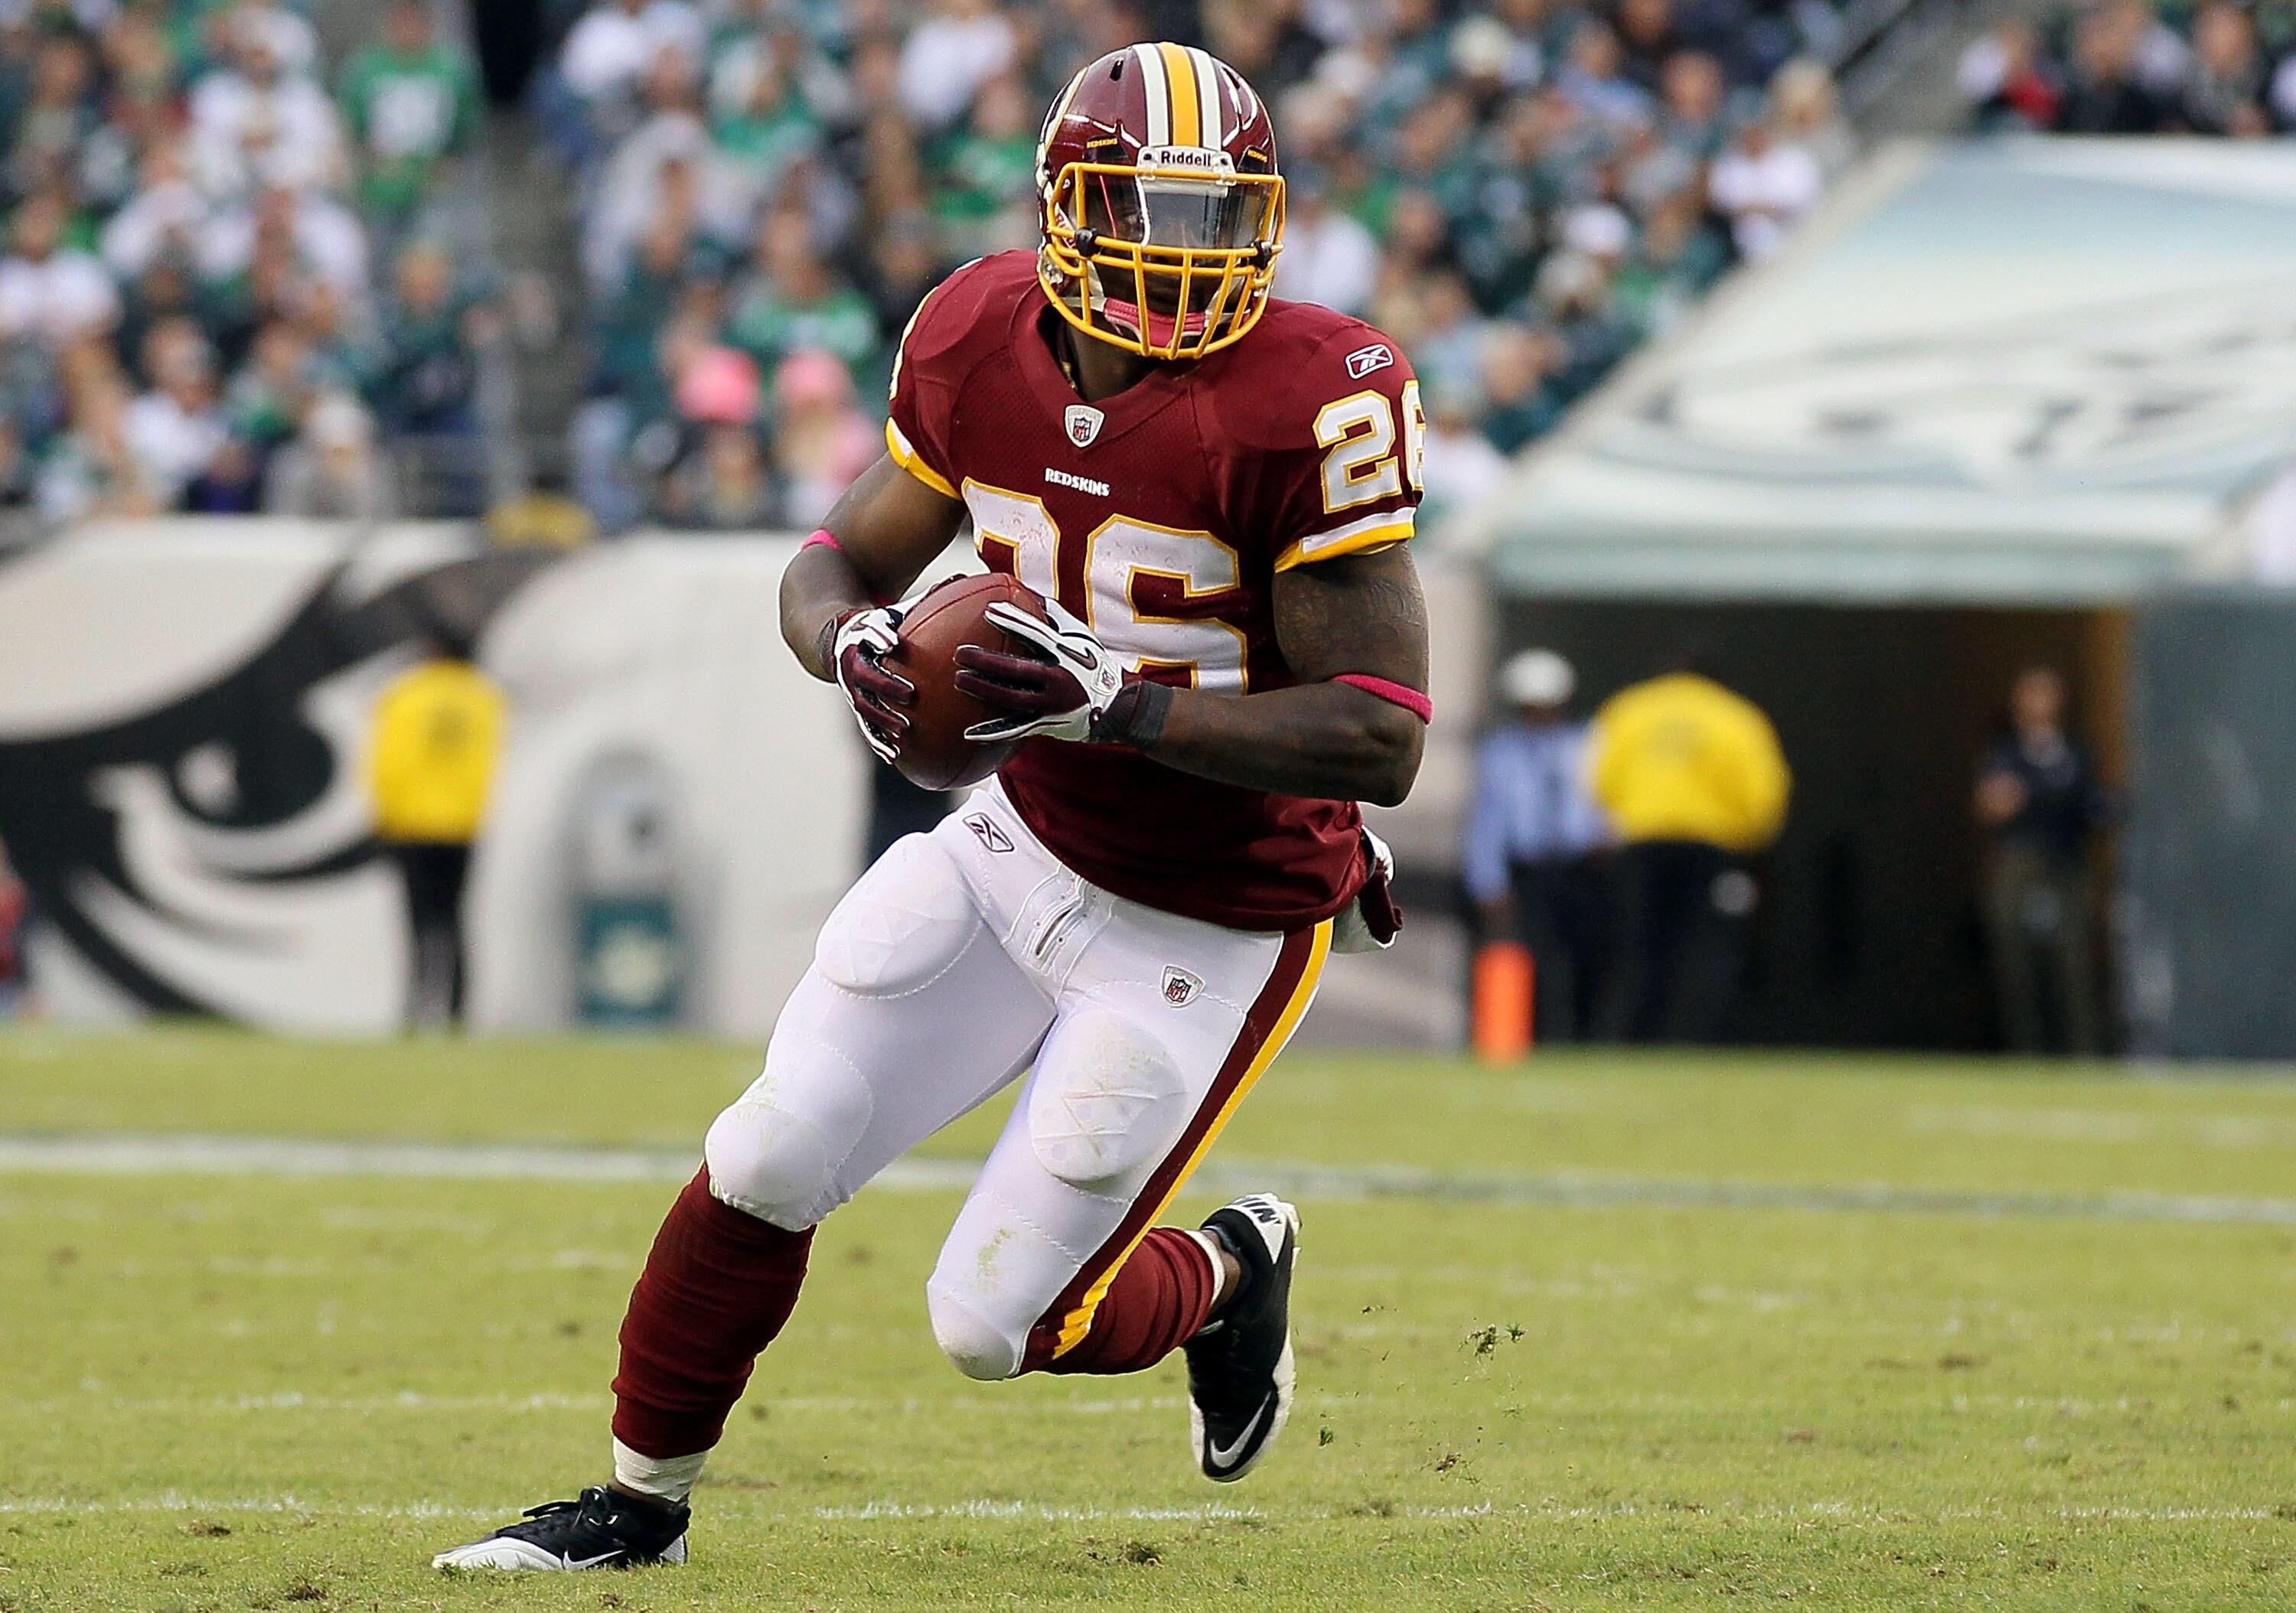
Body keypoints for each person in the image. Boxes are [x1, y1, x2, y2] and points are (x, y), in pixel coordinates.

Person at [435, 42, 1429, 1572]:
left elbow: (1381, 738)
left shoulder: (1314, 395)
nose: (1180, 254)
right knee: (769, 1147)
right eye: (1143, 210)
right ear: (1061, 208)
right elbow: (829, 563)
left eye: (1213, 216)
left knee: (995, 1321)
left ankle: (1229, 1273)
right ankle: (639, 1507)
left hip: (1216, 915)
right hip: (1017, 836)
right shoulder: (974, 335)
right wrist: (853, 644)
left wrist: (1122, 706)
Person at [1588, 660, 1789, 1042]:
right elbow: (1763, 796)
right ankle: (1693, 1037)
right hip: (1708, 850)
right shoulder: (1736, 716)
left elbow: (1600, 779)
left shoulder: (1631, 708)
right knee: (1705, 947)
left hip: (1641, 846)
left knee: (1636, 946)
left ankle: (1626, 1034)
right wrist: (1753, 844)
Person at [1464, 650, 1612, 1042]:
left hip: (1585, 866)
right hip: (1529, 869)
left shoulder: (1593, 742)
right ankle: (1539, 1039)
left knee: (1589, 955)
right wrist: (1488, 880)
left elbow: (1608, 800)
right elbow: (1489, 819)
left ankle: (1587, 1037)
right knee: (1534, 958)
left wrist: (1610, 840)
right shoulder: (1501, 751)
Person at [367, 640, 507, 1028]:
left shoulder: (406, 694)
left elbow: (389, 761)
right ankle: (458, 1011)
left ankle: (415, 1009)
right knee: (457, 920)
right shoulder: (483, 698)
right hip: (462, 826)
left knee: (417, 924)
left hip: (413, 825)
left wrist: (385, 813)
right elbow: (489, 762)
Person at [1975, 666, 2108, 1054]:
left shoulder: (2077, 751)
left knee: (2074, 963)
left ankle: (2083, 1055)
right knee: (2016, 961)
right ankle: (2026, 1053)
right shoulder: (2006, 752)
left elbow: (2092, 802)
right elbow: (1992, 804)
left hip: (2065, 864)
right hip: (2020, 862)